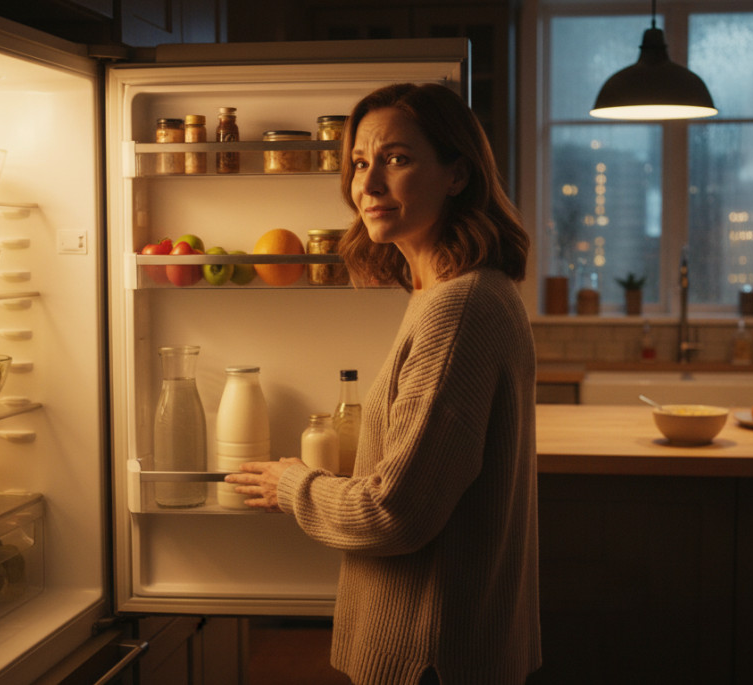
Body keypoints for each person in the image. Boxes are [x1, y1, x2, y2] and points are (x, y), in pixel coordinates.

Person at [225, 82, 541, 685]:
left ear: (457, 174)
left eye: (396, 159)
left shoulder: (457, 309)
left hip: (430, 654)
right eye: (359, 162)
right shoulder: (450, 293)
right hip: (450, 642)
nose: (366, 185)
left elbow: (395, 514)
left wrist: (293, 484)